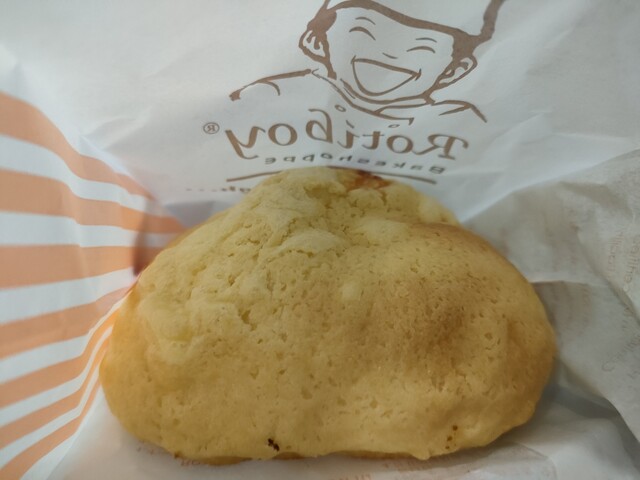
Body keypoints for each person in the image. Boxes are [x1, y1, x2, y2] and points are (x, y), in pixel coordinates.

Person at [230, 0, 504, 127]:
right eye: (363, 32)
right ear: (315, 40)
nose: (390, 55)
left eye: (423, 47)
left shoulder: (456, 118)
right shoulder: (273, 93)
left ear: (455, 71)